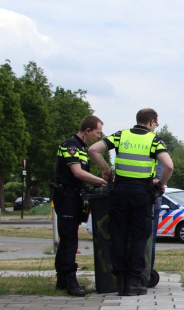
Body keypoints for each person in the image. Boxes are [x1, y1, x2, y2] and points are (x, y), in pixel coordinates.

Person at [89, 108, 173, 296]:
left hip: (120, 190)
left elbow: (93, 150)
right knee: (138, 236)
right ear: (152, 122)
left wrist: (107, 170)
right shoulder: (154, 140)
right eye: (156, 124)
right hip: (142, 193)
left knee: (118, 234)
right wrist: (161, 184)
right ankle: (135, 281)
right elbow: (169, 165)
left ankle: (121, 281)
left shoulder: (121, 136)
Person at [53, 115, 107, 296]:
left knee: (67, 239)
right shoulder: (70, 146)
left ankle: (61, 279)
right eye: (98, 133)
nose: (99, 137)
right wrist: (101, 181)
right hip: (66, 197)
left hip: (75, 198)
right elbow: (77, 173)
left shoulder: (82, 149)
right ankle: (70, 281)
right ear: (88, 130)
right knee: (69, 240)